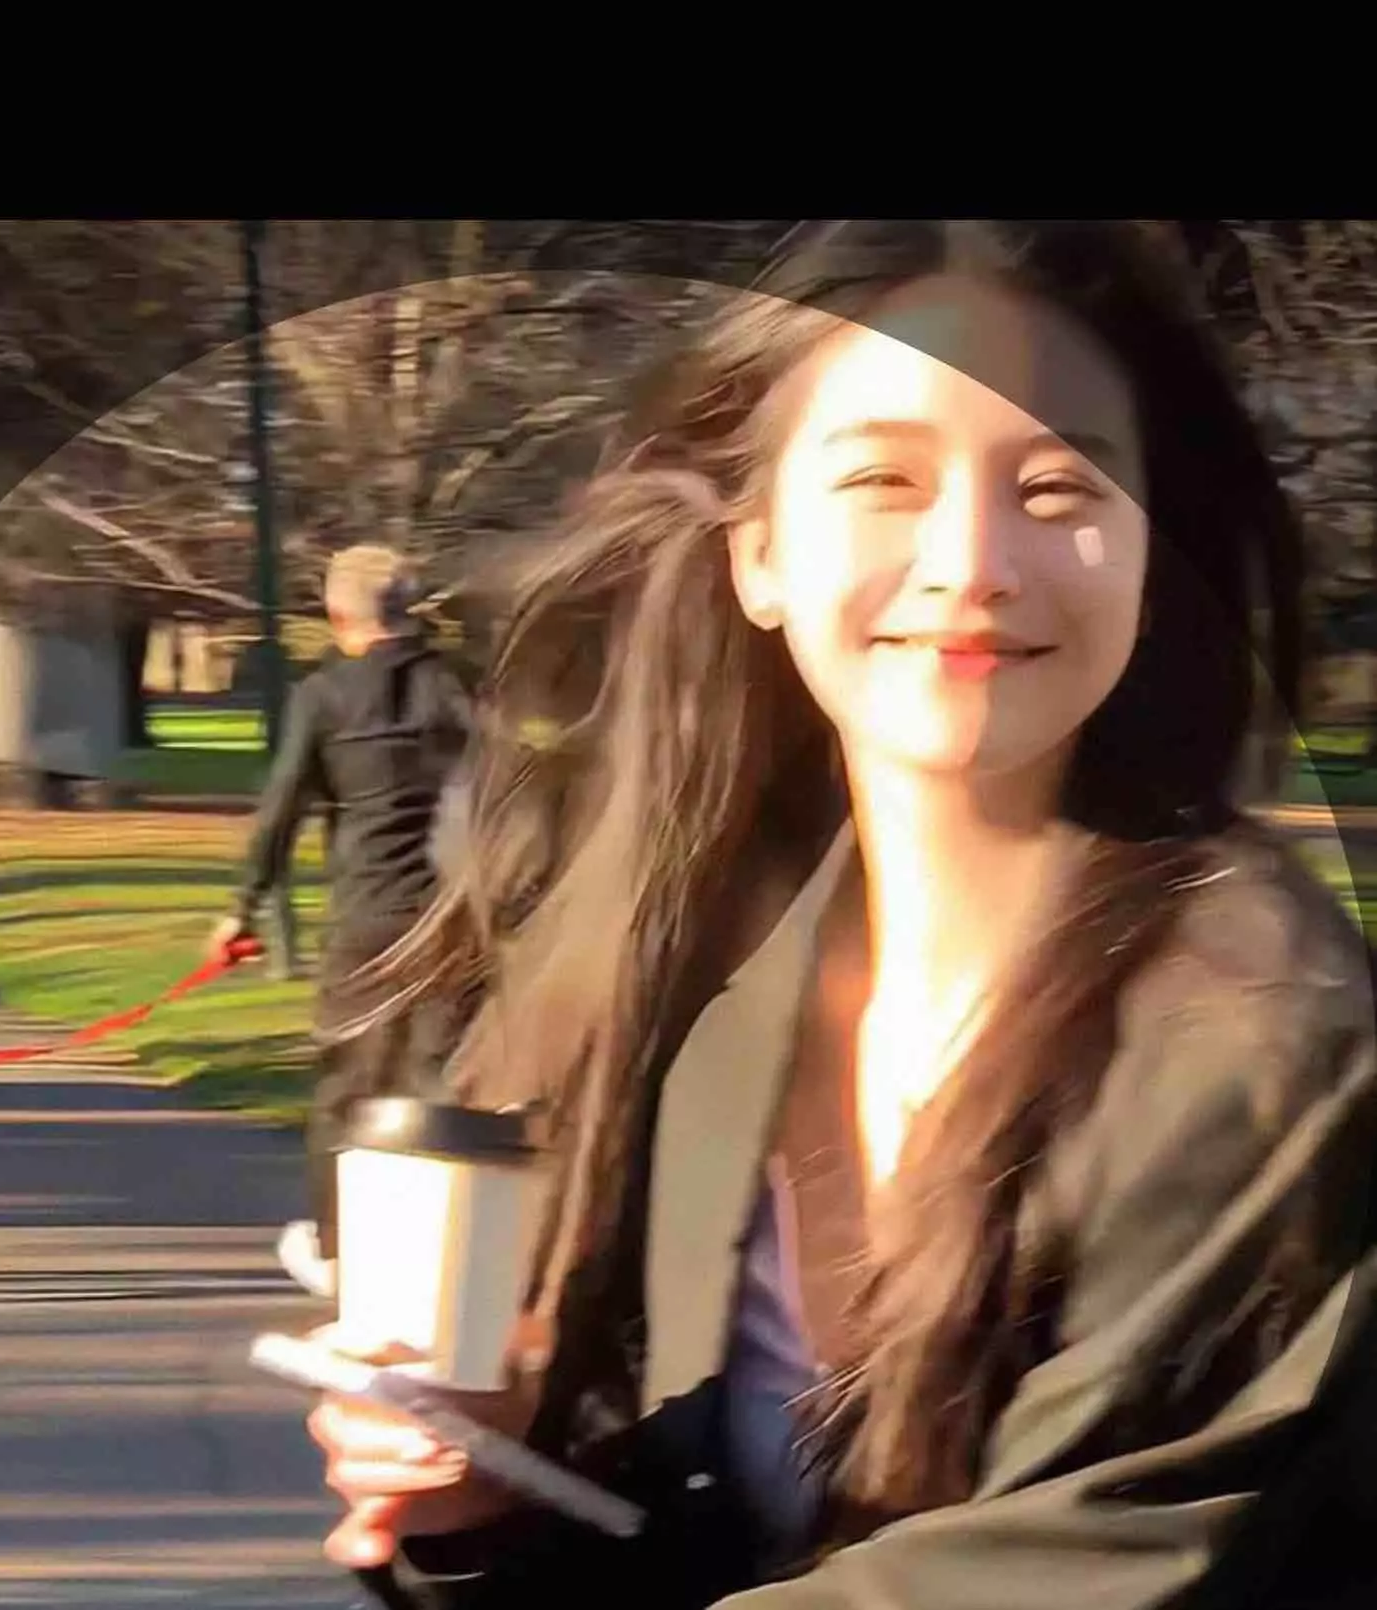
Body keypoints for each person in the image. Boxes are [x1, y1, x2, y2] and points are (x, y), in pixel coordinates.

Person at [301, 222, 1377, 1609]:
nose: (972, 561)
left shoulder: (1263, 1033)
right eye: (884, 479)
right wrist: (475, 1502)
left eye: (1059, 486)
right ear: (758, 553)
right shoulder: (700, 979)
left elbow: (1083, 1576)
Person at [211, 543, 473, 1295]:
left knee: (348, 1089)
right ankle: (445, 1259)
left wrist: (241, 909)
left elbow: (280, 812)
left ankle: (337, 1252)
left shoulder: (323, 697)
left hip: (365, 920)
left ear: (336, 616)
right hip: (454, 922)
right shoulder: (458, 687)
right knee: (438, 1085)